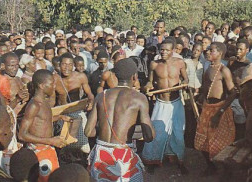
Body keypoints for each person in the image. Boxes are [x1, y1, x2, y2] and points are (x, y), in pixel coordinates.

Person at [85, 58, 155, 181]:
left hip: (101, 154)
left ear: (115, 75)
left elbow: (88, 132)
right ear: (134, 76)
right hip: (122, 156)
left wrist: (106, 130)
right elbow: (149, 136)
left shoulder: (102, 95)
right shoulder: (139, 98)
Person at [142, 39, 189, 174]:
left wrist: (185, 84)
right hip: (161, 104)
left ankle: (179, 161)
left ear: (172, 51)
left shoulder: (180, 63)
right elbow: (150, 82)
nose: (163, 52)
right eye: (161, 49)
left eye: (166, 50)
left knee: (178, 134)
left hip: (176, 104)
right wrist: (148, 87)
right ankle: (152, 160)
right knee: (156, 133)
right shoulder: (154, 64)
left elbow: (185, 79)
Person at [18, 69, 70, 182]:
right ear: (42, 85)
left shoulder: (44, 102)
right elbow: (22, 135)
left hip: (46, 148)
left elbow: (42, 121)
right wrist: (50, 141)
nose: (54, 86)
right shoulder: (34, 105)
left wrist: (60, 117)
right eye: (52, 83)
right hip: (38, 151)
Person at [194, 42, 236, 176]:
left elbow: (233, 93)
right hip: (207, 107)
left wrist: (221, 112)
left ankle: (223, 170)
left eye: (211, 51)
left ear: (220, 53)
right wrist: (201, 96)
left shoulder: (224, 70)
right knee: (203, 140)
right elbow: (207, 87)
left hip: (219, 109)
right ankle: (211, 166)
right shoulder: (209, 67)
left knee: (220, 142)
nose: (207, 52)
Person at [54, 52, 94, 153]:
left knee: (83, 146)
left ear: (73, 66)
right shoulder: (54, 79)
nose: (67, 67)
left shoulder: (80, 77)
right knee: (63, 146)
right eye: (64, 64)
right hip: (61, 114)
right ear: (59, 65)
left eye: (70, 65)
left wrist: (91, 102)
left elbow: (90, 94)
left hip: (77, 112)